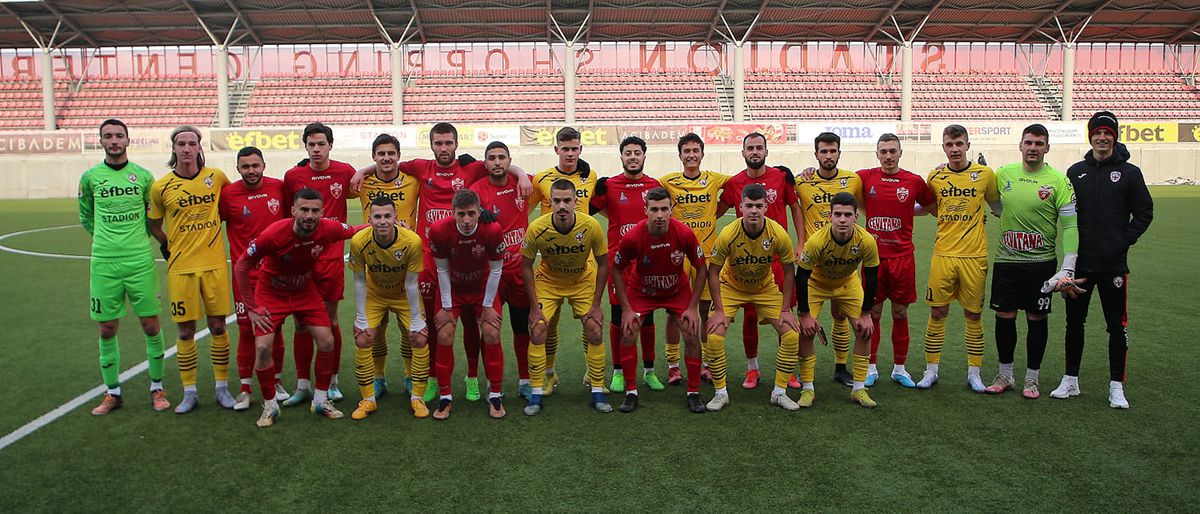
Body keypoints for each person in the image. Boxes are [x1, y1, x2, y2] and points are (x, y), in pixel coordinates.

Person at [353, 122, 530, 402]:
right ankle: (433, 378)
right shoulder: (421, 167)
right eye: (438, 143)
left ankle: (472, 377)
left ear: (456, 145)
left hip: (464, 259)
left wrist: (520, 174)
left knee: (473, 323)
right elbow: (388, 164)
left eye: (448, 143)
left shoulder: (470, 169)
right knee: (436, 322)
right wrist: (362, 170)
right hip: (428, 259)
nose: (443, 148)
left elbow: (500, 164)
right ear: (432, 145)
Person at [234, 188, 365, 427]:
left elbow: (355, 230)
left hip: (305, 290)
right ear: (293, 210)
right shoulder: (273, 234)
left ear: (322, 212)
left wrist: (391, 225)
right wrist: (251, 306)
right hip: (271, 292)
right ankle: (270, 406)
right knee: (263, 348)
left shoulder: (329, 228)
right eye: (304, 209)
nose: (309, 215)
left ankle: (321, 399)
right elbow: (242, 265)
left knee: (327, 342)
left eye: (315, 210)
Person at [1050, 111, 1153, 409]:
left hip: (1113, 265)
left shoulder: (1130, 173)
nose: (1102, 137)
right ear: (1090, 136)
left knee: (1116, 327)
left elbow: (1144, 212)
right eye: (1098, 132)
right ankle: (1070, 380)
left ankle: (1116, 386)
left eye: (1108, 132)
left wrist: (1123, 240)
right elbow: (1065, 213)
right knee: (1074, 324)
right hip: (1080, 264)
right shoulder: (1076, 172)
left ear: (1115, 136)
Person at [80, 119, 170, 415]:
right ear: (101, 141)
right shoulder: (91, 177)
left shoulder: (143, 177)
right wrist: (107, 241)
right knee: (106, 328)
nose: (114, 140)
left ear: (128, 141)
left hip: (139, 260)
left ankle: (157, 388)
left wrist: (133, 241)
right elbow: (86, 215)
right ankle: (113, 393)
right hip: (104, 262)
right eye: (108, 136)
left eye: (119, 135)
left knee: (151, 325)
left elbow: (151, 216)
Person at [983, 124, 1078, 399]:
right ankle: (1005, 374)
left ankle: (1032, 379)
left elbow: (1070, 226)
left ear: (1047, 147)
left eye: (1039, 143)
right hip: (1007, 260)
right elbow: (992, 201)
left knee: (1036, 317)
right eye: (1029, 142)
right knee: (1004, 316)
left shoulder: (1059, 181)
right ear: (1020, 145)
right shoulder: (1004, 174)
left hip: (1041, 263)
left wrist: (1068, 266)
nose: (1033, 147)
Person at [148, 125, 234, 413]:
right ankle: (190, 392)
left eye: (191, 143)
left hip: (214, 266)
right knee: (185, 331)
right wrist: (167, 244)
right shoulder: (161, 187)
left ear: (200, 148)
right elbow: (153, 224)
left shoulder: (217, 178)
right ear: (173, 149)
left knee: (218, 326)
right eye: (181, 143)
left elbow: (233, 207)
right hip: (181, 268)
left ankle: (222, 388)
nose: (186, 148)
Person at [917, 124, 1001, 392]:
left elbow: (998, 208)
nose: (954, 149)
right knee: (937, 312)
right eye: (949, 145)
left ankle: (974, 373)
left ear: (967, 145)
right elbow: (931, 208)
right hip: (943, 254)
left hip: (975, 256)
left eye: (959, 144)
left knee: (973, 315)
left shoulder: (985, 175)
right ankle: (931, 370)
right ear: (943, 147)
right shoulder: (935, 176)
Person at [717, 132, 804, 390]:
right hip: (746, 261)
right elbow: (717, 209)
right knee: (750, 315)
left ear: (766, 151)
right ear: (742, 153)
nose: (754, 152)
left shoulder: (781, 177)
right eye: (749, 148)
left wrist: (800, 242)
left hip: (779, 260)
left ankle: (786, 370)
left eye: (759, 148)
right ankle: (752, 369)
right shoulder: (734, 183)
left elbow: (795, 207)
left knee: (785, 316)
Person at [705, 183, 802, 412]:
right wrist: (719, 310)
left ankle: (779, 392)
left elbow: (789, 271)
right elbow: (712, 271)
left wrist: (786, 308)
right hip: (731, 287)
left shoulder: (778, 233)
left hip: (764, 288)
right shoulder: (728, 233)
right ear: (741, 207)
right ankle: (721, 393)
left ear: (766, 207)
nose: (754, 211)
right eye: (749, 206)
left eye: (759, 206)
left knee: (791, 335)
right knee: (714, 337)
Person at [281, 122, 357, 406]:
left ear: (330, 145)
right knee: (301, 323)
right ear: (305, 147)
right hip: (301, 260)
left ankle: (332, 381)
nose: (316, 149)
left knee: (330, 320)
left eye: (321, 144)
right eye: (311, 144)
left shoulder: (344, 171)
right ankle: (302, 385)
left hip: (331, 260)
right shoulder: (293, 176)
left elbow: (365, 183)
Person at [611, 187, 707, 413]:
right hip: (642, 291)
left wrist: (693, 307)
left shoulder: (683, 233)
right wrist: (625, 308)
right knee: (628, 331)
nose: (660, 214)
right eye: (654, 209)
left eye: (664, 209)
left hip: (676, 290)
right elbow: (616, 269)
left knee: (692, 332)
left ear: (671, 210)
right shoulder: (633, 236)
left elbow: (701, 268)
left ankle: (694, 392)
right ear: (646, 211)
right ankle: (631, 392)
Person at [520, 179, 611, 415]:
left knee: (594, 328)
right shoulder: (536, 228)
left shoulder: (591, 225)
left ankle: (598, 391)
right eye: (556, 201)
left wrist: (596, 305)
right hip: (549, 282)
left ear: (575, 202)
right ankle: (537, 393)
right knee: (538, 328)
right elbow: (526, 266)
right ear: (549, 203)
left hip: (581, 280)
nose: (561, 206)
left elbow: (603, 263)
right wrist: (533, 308)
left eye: (567, 201)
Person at [856, 133, 935, 387]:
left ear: (900, 152)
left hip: (903, 258)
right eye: (883, 151)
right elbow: (837, 182)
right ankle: (871, 367)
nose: (888, 156)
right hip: (873, 260)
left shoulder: (913, 181)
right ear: (876, 154)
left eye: (892, 151)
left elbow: (932, 206)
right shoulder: (864, 177)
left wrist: (910, 212)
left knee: (900, 313)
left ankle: (899, 369)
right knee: (873, 313)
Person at [589, 136, 663, 393]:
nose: (633, 157)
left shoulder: (654, 186)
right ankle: (618, 371)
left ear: (644, 156)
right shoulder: (609, 186)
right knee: (619, 316)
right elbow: (585, 212)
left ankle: (650, 371)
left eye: (637, 153)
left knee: (648, 317)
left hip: (647, 263)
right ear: (621, 157)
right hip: (618, 264)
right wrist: (593, 191)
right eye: (628, 153)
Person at [218, 146, 290, 410]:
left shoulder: (278, 188)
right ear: (238, 168)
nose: (251, 170)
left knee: (276, 327)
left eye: (255, 165)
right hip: (244, 275)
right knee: (247, 330)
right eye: (245, 166)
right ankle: (246, 389)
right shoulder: (228, 195)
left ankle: (277, 382)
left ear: (264, 165)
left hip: (274, 273)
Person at [795, 192, 880, 408]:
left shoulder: (866, 240)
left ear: (855, 217)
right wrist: (804, 315)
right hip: (816, 283)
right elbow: (802, 276)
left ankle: (859, 388)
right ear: (830, 217)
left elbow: (871, 276)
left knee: (864, 329)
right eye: (838, 214)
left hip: (847, 283)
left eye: (847, 215)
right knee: (805, 333)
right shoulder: (816, 241)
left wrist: (866, 314)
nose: (843, 219)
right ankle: (808, 389)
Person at [527, 127, 595, 395]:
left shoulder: (591, 177)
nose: (569, 153)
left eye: (574, 148)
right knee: (547, 323)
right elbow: (526, 209)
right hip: (551, 263)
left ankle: (592, 369)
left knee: (590, 321)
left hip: (584, 263)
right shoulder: (542, 179)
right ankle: (548, 373)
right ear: (556, 149)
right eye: (564, 148)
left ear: (580, 149)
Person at [348, 196, 429, 420]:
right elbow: (358, 280)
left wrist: (415, 319)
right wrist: (361, 317)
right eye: (377, 216)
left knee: (418, 337)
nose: (382, 221)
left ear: (395, 217)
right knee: (364, 337)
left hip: (403, 293)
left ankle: (417, 396)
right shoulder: (358, 241)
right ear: (370, 219)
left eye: (387, 216)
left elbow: (412, 283)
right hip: (375, 293)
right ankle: (369, 398)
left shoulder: (411, 241)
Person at [429, 190, 507, 420]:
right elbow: (441, 269)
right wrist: (445, 306)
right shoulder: (440, 230)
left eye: (471, 214)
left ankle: (494, 394)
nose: (465, 220)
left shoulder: (492, 230)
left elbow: (496, 269)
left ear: (479, 211)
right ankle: (445, 398)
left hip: (483, 286)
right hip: (452, 288)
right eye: (460, 214)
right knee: (444, 334)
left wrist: (487, 307)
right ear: (452, 213)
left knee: (492, 332)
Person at [794, 132, 865, 387]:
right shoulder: (802, 181)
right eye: (823, 152)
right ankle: (807, 379)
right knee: (806, 324)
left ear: (839, 153)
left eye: (832, 151)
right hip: (814, 267)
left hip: (843, 263)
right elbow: (795, 209)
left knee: (841, 316)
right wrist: (801, 241)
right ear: (816, 155)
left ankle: (841, 367)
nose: (828, 156)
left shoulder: (853, 180)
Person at [659, 133, 729, 385]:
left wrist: (716, 211)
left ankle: (707, 364)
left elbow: (739, 184)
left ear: (702, 154)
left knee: (705, 310)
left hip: (707, 256)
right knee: (672, 313)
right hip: (677, 255)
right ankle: (673, 365)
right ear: (680, 155)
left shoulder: (714, 179)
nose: (691, 155)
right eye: (686, 151)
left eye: (695, 150)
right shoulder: (668, 181)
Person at [355, 133, 420, 400]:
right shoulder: (362, 183)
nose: (386, 158)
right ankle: (379, 377)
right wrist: (363, 170)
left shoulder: (414, 181)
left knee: (409, 330)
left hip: (407, 261)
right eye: (381, 154)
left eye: (391, 153)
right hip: (375, 265)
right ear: (373, 157)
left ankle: (408, 376)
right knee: (376, 329)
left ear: (398, 155)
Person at [470, 141, 534, 401]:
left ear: (509, 161)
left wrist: (519, 173)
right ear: (485, 163)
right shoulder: (476, 191)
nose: (497, 162)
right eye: (492, 158)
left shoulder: (524, 183)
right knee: (490, 331)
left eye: (502, 157)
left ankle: (525, 380)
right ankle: (492, 384)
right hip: (490, 276)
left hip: (519, 272)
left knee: (522, 328)